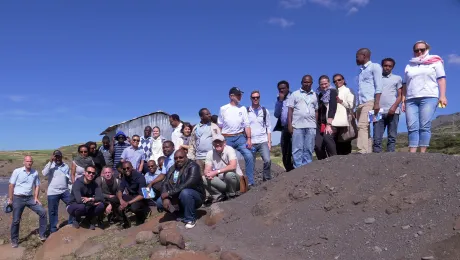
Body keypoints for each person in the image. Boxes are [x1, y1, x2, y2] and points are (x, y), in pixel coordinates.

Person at [402, 40, 447, 153]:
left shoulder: (436, 62)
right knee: (411, 126)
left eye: (422, 49)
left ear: (427, 50)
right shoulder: (409, 65)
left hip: (429, 96)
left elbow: (441, 79)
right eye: (417, 50)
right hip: (411, 99)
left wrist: (442, 96)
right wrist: (403, 101)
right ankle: (412, 153)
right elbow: (404, 84)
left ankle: (423, 154)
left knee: (424, 125)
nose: (419, 52)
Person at [156, 149, 205, 229]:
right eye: (176, 158)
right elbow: (165, 183)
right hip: (177, 194)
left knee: (185, 193)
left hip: (195, 195)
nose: (178, 160)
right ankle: (180, 213)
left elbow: (188, 184)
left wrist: (169, 194)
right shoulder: (173, 168)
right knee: (159, 202)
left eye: (180, 157)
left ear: (186, 157)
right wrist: (166, 198)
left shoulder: (193, 166)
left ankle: (190, 219)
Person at [218, 87, 255, 186]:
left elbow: (247, 125)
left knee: (249, 156)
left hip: (240, 137)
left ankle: (250, 182)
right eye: (238, 94)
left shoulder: (242, 108)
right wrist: (221, 140)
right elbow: (220, 126)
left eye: (240, 94)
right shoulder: (223, 108)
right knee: (225, 160)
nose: (240, 96)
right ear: (231, 96)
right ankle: (227, 184)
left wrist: (249, 139)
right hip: (226, 138)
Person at [9, 156, 47, 248]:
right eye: (27, 161)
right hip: (18, 198)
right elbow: (11, 185)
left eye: (30, 161)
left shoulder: (35, 172)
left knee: (42, 212)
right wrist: (10, 198)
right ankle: (14, 240)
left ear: (32, 162)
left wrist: (36, 197)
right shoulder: (17, 171)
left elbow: (37, 185)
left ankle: (42, 235)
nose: (29, 163)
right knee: (16, 220)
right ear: (24, 162)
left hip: (30, 198)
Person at [355, 48, 383, 153]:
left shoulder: (374, 67)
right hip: (360, 103)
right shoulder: (361, 71)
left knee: (362, 125)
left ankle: (361, 150)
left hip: (369, 100)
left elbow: (379, 86)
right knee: (365, 127)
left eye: (357, 56)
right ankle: (368, 152)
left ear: (364, 55)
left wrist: (376, 103)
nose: (356, 59)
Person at [287, 75, 318, 168]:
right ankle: (297, 169)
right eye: (305, 82)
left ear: (312, 83)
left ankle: (306, 169)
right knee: (297, 149)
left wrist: (315, 123)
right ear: (301, 82)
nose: (307, 84)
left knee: (309, 149)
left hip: (311, 126)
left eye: (309, 82)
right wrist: (290, 125)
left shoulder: (315, 95)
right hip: (297, 126)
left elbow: (316, 110)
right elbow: (290, 111)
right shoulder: (295, 94)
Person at [373, 58, 403, 153]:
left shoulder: (397, 78)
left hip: (393, 110)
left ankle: (391, 157)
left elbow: (400, 95)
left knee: (392, 136)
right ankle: (376, 157)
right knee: (377, 137)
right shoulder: (375, 78)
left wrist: (394, 107)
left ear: (392, 67)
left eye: (390, 66)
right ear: (382, 66)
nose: (387, 68)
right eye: (385, 65)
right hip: (377, 111)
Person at [203, 134, 241, 202]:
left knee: (229, 174)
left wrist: (216, 172)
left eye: (220, 142)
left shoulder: (229, 149)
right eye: (215, 142)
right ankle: (219, 195)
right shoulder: (210, 153)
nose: (217, 144)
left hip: (235, 181)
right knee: (204, 178)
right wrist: (208, 174)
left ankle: (232, 194)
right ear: (213, 144)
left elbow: (233, 166)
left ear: (224, 143)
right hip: (222, 181)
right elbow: (207, 169)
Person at [42, 150, 73, 233]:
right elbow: (44, 173)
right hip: (53, 192)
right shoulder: (50, 166)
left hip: (64, 191)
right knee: (52, 211)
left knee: (73, 204)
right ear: (53, 157)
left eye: (59, 156)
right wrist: (50, 161)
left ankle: (71, 223)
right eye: (56, 156)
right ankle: (53, 229)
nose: (57, 158)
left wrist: (71, 189)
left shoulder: (65, 166)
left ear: (61, 157)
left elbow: (69, 179)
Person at [67, 165, 104, 230]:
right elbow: (79, 200)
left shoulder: (95, 184)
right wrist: (92, 203)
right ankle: (76, 220)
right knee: (81, 206)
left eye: (93, 173)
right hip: (73, 205)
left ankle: (87, 220)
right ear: (84, 172)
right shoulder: (77, 183)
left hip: (87, 205)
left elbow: (101, 197)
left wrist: (91, 199)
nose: (91, 174)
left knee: (101, 205)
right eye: (89, 172)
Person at [247, 90, 272, 181]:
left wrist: (269, 142)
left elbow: (268, 127)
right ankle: (250, 182)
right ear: (251, 98)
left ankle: (267, 179)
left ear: (259, 98)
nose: (255, 99)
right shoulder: (247, 111)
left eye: (257, 97)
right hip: (251, 142)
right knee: (250, 163)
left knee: (267, 160)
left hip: (263, 141)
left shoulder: (265, 111)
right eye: (253, 97)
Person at [188, 108, 221, 174]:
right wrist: (191, 157)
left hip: (211, 157)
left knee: (210, 176)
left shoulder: (214, 127)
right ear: (201, 117)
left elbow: (220, 141)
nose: (209, 115)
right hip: (198, 158)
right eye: (207, 114)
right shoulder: (195, 128)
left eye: (209, 113)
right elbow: (192, 143)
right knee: (200, 177)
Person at [117, 161, 149, 228]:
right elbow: (120, 190)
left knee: (134, 208)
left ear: (132, 168)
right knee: (115, 199)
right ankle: (125, 222)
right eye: (124, 169)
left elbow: (142, 195)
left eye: (128, 168)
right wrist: (121, 200)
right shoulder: (124, 177)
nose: (126, 170)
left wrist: (128, 203)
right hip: (131, 196)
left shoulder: (140, 177)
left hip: (141, 198)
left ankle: (142, 216)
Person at [315, 75, 338, 159]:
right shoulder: (319, 95)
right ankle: (323, 163)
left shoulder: (332, 92)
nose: (324, 86)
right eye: (322, 84)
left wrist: (329, 124)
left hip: (330, 121)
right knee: (317, 144)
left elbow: (332, 107)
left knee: (327, 137)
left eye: (325, 83)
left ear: (329, 83)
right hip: (320, 123)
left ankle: (334, 160)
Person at [332, 74, 355, 155]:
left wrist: (341, 102)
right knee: (335, 141)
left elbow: (351, 105)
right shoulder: (333, 91)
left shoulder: (348, 90)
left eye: (339, 80)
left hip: (345, 118)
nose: (337, 82)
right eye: (335, 81)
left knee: (346, 140)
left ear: (343, 80)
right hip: (335, 119)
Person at [274, 80, 294, 172]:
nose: (281, 90)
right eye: (280, 89)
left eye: (283, 88)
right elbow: (276, 114)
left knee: (294, 148)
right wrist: (280, 101)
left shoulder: (294, 96)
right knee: (285, 150)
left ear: (288, 88)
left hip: (294, 127)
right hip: (284, 128)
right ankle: (288, 170)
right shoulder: (279, 99)